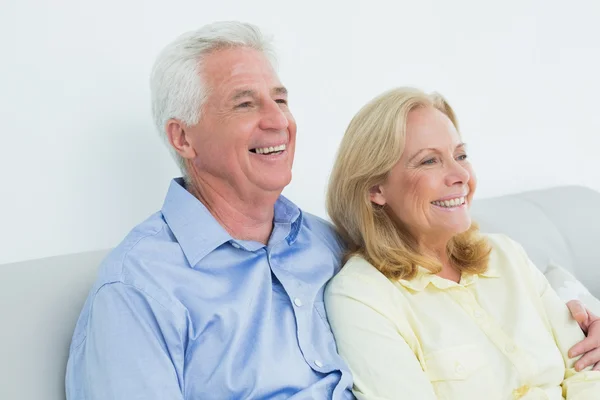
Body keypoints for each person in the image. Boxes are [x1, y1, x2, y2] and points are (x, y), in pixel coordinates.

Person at [65, 22, 600, 399]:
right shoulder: (139, 289)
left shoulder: (321, 243)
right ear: (183, 137)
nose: (279, 121)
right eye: (245, 103)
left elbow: (454, 271)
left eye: (281, 99)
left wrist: (574, 303)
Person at [324, 87, 600, 399]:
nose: (460, 174)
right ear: (375, 188)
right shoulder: (361, 296)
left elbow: (588, 371)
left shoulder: (506, 255)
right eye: (429, 161)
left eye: (461, 155)